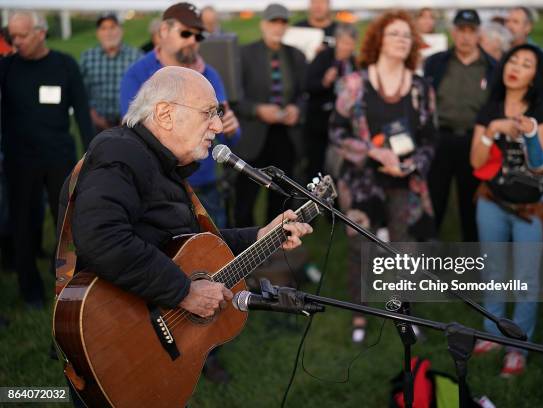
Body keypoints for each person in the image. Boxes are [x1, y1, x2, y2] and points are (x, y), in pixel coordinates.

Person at [62, 67, 313, 398]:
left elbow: (190, 245)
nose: (218, 126)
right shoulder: (121, 151)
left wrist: (260, 235)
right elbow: (101, 236)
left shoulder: (160, 164)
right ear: (165, 114)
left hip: (147, 339)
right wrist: (183, 291)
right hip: (115, 333)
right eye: (209, 113)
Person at [329, 10, 437, 343]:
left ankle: (404, 312)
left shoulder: (420, 87)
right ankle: (361, 313)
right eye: (395, 34)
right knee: (362, 248)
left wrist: (408, 166)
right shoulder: (355, 84)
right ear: (378, 40)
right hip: (362, 182)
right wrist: (372, 152)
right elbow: (335, 130)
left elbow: (431, 139)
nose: (403, 39)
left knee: (407, 250)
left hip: (405, 183)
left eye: (408, 35)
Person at [470, 44, 543, 377]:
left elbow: (537, 167)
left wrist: (531, 132)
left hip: (530, 209)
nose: (515, 67)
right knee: (491, 270)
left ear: (536, 75)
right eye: (512, 60)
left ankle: (518, 347)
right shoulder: (489, 108)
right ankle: (492, 334)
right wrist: (494, 130)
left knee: (525, 279)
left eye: (526, 63)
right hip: (491, 202)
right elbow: (476, 162)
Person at [0, 11, 93, 308]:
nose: (15, 42)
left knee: (66, 225)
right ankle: (31, 290)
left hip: (59, 160)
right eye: (11, 36)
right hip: (19, 160)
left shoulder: (65, 65)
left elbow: (81, 113)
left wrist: (93, 155)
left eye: (22, 35)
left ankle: (67, 283)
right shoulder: (7, 67)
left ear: (41, 32)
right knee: (23, 224)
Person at [121, 2, 240, 230]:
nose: (193, 40)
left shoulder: (211, 75)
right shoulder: (138, 74)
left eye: (199, 35)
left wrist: (231, 129)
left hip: (204, 182)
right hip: (156, 186)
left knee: (216, 252)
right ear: (163, 32)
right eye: (186, 33)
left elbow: (228, 138)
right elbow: (130, 130)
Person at [424, 9, 497, 242]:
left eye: (471, 31)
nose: (465, 36)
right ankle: (424, 258)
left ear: (479, 34)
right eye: (461, 30)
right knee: (434, 199)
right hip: (441, 139)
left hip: (474, 142)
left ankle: (472, 261)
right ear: (453, 32)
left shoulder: (492, 68)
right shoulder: (436, 63)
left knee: (471, 204)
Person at [233, 3, 307, 226]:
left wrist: (297, 109)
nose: (278, 27)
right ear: (263, 24)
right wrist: (258, 110)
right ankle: (243, 246)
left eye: (282, 22)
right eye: (273, 22)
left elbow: (304, 94)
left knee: (281, 196)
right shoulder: (244, 54)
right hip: (254, 136)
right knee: (246, 197)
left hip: (285, 136)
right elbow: (234, 99)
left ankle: (274, 246)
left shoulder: (296, 56)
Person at [304, 23, 357, 178]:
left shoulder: (354, 62)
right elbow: (307, 85)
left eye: (351, 43)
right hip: (320, 124)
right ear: (337, 41)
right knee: (316, 167)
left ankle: (337, 201)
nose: (347, 47)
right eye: (344, 43)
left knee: (339, 169)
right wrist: (324, 82)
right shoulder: (323, 57)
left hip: (344, 125)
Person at [80, 13, 142, 133]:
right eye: (103, 28)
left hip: (129, 123)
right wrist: (93, 115)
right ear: (98, 33)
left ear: (121, 30)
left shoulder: (136, 56)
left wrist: (129, 115)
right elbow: (81, 91)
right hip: (95, 125)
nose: (109, 32)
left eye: (113, 27)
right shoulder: (87, 58)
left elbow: (144, 89)